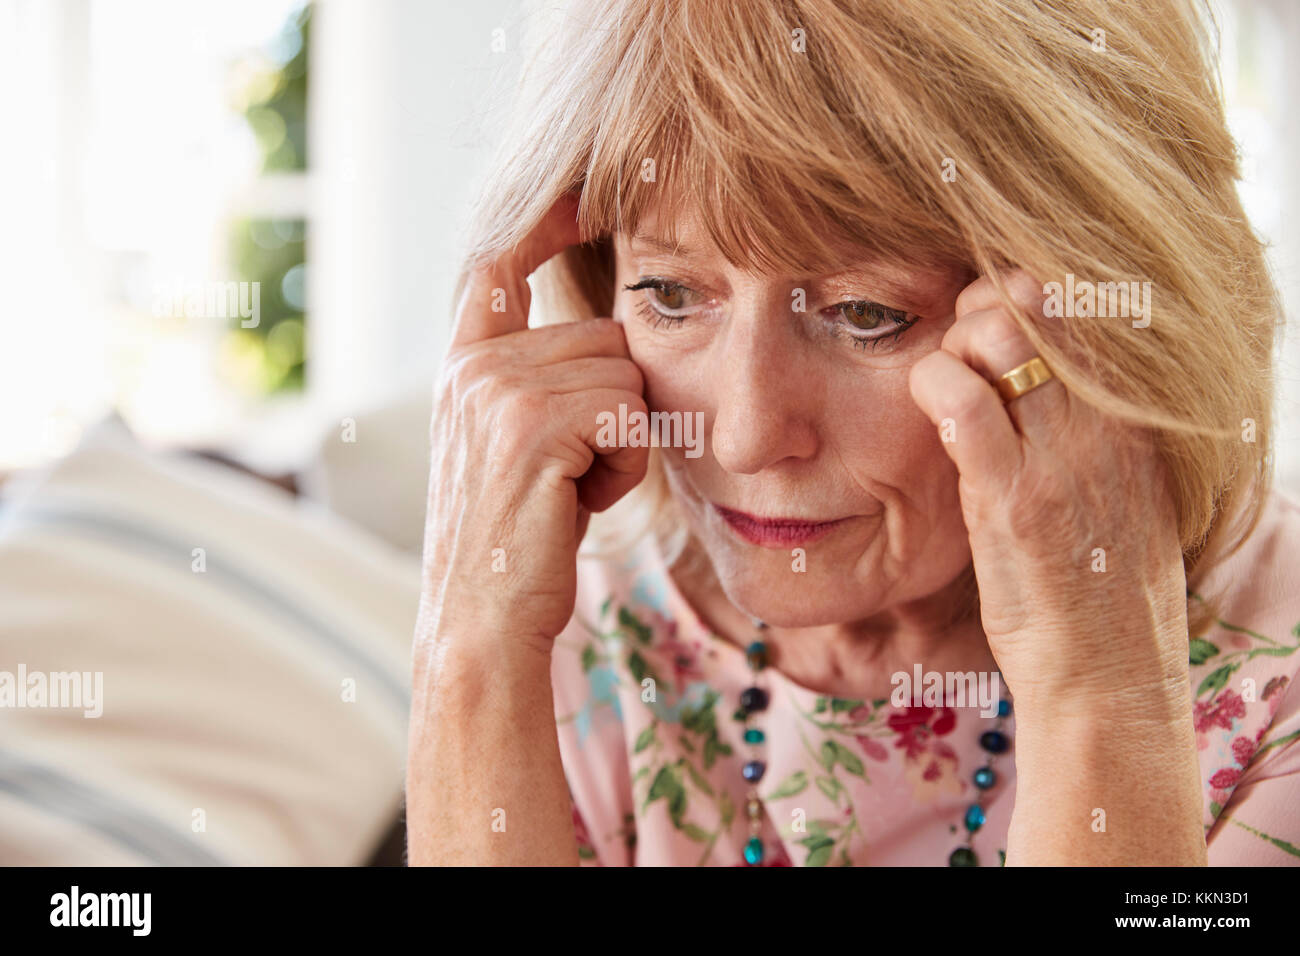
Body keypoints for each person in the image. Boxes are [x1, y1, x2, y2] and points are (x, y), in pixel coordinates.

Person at [407, 0, 1300, 865]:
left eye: (866, 313)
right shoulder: (572, 625)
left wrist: (1102, 694)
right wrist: (470, 654)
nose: (746, 439)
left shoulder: (1274, 694)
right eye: (671, 296)